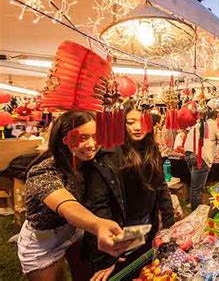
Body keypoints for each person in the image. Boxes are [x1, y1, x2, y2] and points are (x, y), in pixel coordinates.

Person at [17, 111, 129, 281]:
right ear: (64, 140)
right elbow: (68, 205)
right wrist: (98, 224)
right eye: (82, 138)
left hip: (76, 232)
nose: (91, 144)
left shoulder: (90, 162)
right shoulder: (44, 172)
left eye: (95, 136)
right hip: (43, 243)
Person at [84, 104, 175, 280]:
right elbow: (98, 204)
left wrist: (169, 226)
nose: (138, 127)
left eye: (142, 121)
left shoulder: (151, 149)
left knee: (142, 269)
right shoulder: (109, 155)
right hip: (121, 228)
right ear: (121, 125)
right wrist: (106, 258)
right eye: (130, 122)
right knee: (122, 269)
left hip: (147, 224)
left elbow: (161, 187)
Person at [184, 99, 219, 210]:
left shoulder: (201, 123)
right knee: (197, 189)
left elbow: (205, 141)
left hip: (188, 154)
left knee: (195, 187)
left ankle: (197, 210)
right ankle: (196, 214)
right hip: (200, 157)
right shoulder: (216, 126)